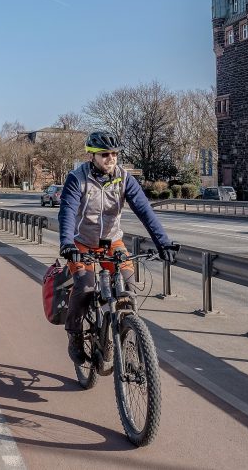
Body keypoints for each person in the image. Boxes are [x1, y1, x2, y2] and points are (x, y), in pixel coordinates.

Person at [57, 131, 179, 365]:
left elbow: (145, 211)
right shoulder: (77, 179)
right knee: (85, 286)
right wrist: (67, 243)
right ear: (92, 156)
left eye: (114, 154)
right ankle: (75, 334)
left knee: (129, 286)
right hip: (81, 242)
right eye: (105, 154)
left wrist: (163, 243)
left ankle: (126, 337)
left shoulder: (124, 178)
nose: (111, 158)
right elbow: (68, 212)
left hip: (111, 242)